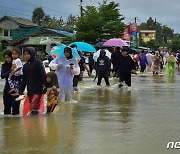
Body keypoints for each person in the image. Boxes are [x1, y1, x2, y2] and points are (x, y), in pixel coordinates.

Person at [19, 47, 46, 115]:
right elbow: (24, 79)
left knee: (35, 109)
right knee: (30, 109)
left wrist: (45, 86)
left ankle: (36, 124)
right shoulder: (25, 66)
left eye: (28, 54)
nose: (26, 56)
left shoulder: (38, 62)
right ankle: (33, 124)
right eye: (24, 54)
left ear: (32, 54)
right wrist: (21, 90)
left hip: (38, 90)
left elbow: (43, 75)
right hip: (30, 90)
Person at [1, 50, 21, 115]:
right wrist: (11, 70)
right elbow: (2, 76)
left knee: (15, 108)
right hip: (7, 88)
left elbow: (21, 75)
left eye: (8, 57)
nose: (7, 59)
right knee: (7, 108)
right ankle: (7, 124)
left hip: (16, 88)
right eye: (5, 58)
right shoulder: (4, 65)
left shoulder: (16, 63)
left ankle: (16, 124)